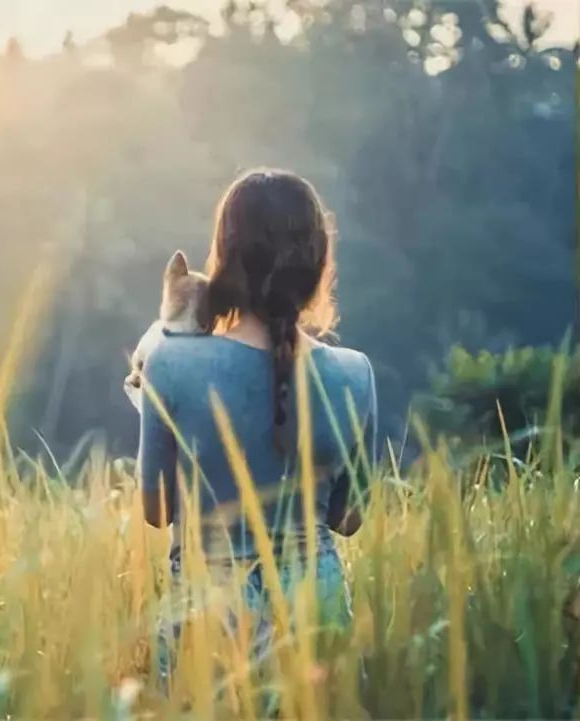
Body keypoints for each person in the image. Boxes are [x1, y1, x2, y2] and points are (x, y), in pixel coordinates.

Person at [136, 168, 378, 690]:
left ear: (224, 258)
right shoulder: (355, 374)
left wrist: (158, 412)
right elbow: (349, 518)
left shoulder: (169, 363)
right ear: (316, 262)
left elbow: (157, 512)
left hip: (207, 615)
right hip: (318, 618)